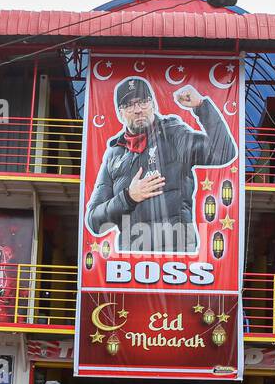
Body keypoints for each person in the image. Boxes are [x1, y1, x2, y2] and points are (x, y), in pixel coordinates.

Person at [84, 77, 238, 254]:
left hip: (177, 258)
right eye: (129, 105)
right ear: (120, 113)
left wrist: (201, 106)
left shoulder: (173, 133)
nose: (138, 110)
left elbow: (224, 152)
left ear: (153, 104)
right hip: (130, 262)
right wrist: (128, 197)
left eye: (143, 101)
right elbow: (94, 222)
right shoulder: (113, 155)